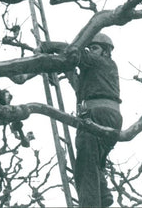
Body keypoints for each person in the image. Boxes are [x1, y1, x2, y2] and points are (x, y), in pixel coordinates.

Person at [39, 32, 122, 208]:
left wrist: (47, 46)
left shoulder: (101, 62)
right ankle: (103, 195)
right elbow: (78, 87)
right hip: (109, 117)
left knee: (86, 167)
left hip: (97, 115)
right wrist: (66, 70)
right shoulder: (96, 72)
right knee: (94, 160)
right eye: (89, 48)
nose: (90, 51)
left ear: (106, 51)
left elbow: (74, 52)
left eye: (94, 48)